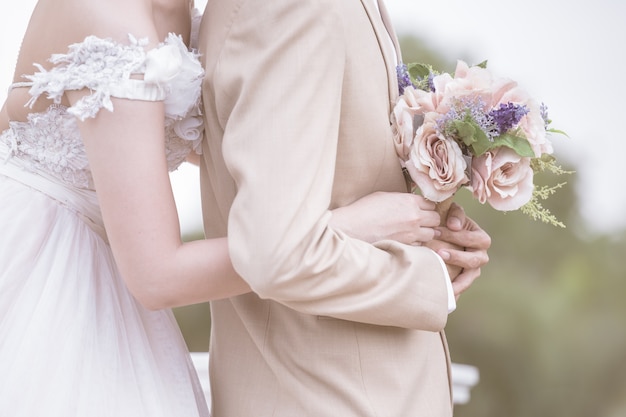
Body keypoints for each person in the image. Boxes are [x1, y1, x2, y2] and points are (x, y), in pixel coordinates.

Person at [0, 0, 481, 415]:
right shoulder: (108, 17)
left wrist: (425, 192)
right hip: (46, 266)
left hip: (109, 263)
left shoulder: (198, 14)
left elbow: (252, 153)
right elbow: (157, 274)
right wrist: (345, 228)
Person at [197, 0, 491, 415]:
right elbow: (278, 253)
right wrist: (429, 278)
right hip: (326, 396)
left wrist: (437, 234)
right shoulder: (291, 8)